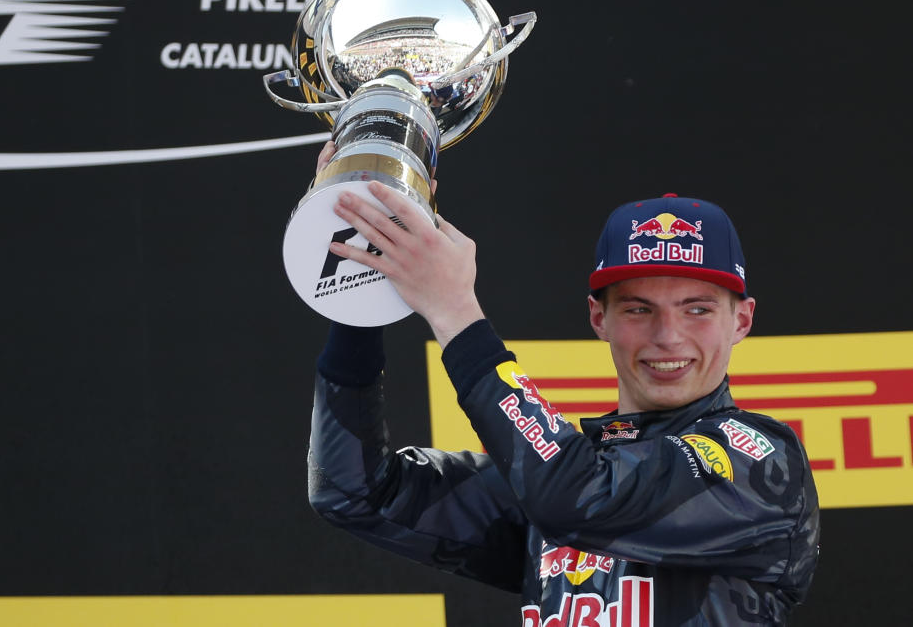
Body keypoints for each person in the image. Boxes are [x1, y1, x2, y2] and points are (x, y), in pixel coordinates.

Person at [307, 143, 820, 626]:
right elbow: (353, 493)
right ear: (599, 318)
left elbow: (578, 497)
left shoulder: (763, 462)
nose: (668, 336)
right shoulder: (561, 473)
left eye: (698, 310)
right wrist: (360, 281)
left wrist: (456, 313)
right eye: (638, 309)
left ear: (743, 321)